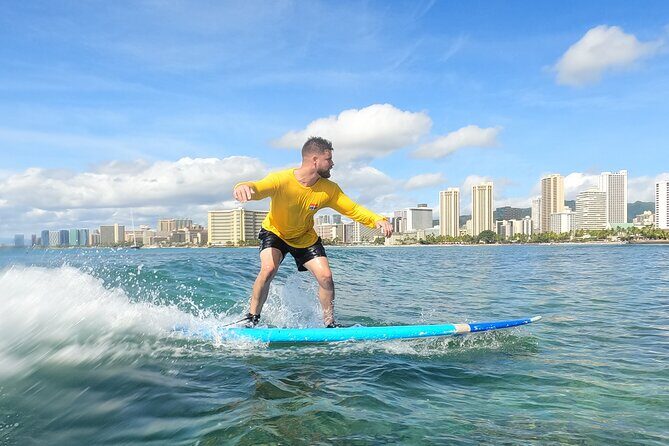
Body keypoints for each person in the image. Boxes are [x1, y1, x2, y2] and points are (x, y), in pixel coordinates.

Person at [232, 136, 393, 327]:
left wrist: (377, 219)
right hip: (275, 233)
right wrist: (242, 186)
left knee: (326, 276)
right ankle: (252, 317)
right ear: (314, 160)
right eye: (329, 159)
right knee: (268, 269)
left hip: (304, 237)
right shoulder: (281, 180)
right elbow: (257, 187)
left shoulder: (329, 189)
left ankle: (329, 324)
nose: (332, 164)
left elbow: (353, 209)